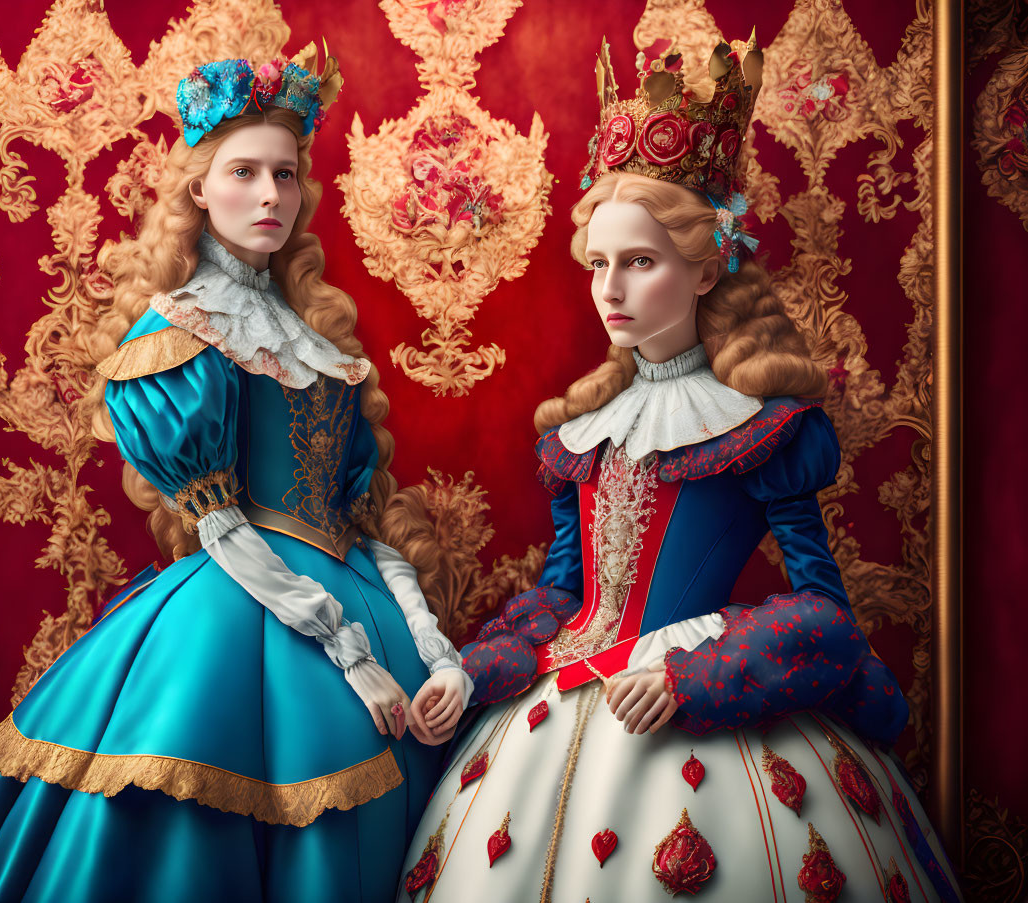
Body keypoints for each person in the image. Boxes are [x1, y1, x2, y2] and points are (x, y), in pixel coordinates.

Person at [397, 35, 962, 902]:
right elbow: (562, 596)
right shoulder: (582, 431)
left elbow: (821, 610)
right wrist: (467, 671)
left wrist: (691, 675)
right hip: (551, 706)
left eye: (640, 262)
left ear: (704, 269)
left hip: (695, 706)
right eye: (599, 264)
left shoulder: (759, 426)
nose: (610, 290)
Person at [0, 47, 469, 903]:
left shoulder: (317, 341)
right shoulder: (176, 331)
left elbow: (359, 526)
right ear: (198, 188)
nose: (269, 195)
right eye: (244, 171)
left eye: (285, 175)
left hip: (361, 601)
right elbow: (223, 524)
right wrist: (349, 652)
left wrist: (434, 650)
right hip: (249, 611)